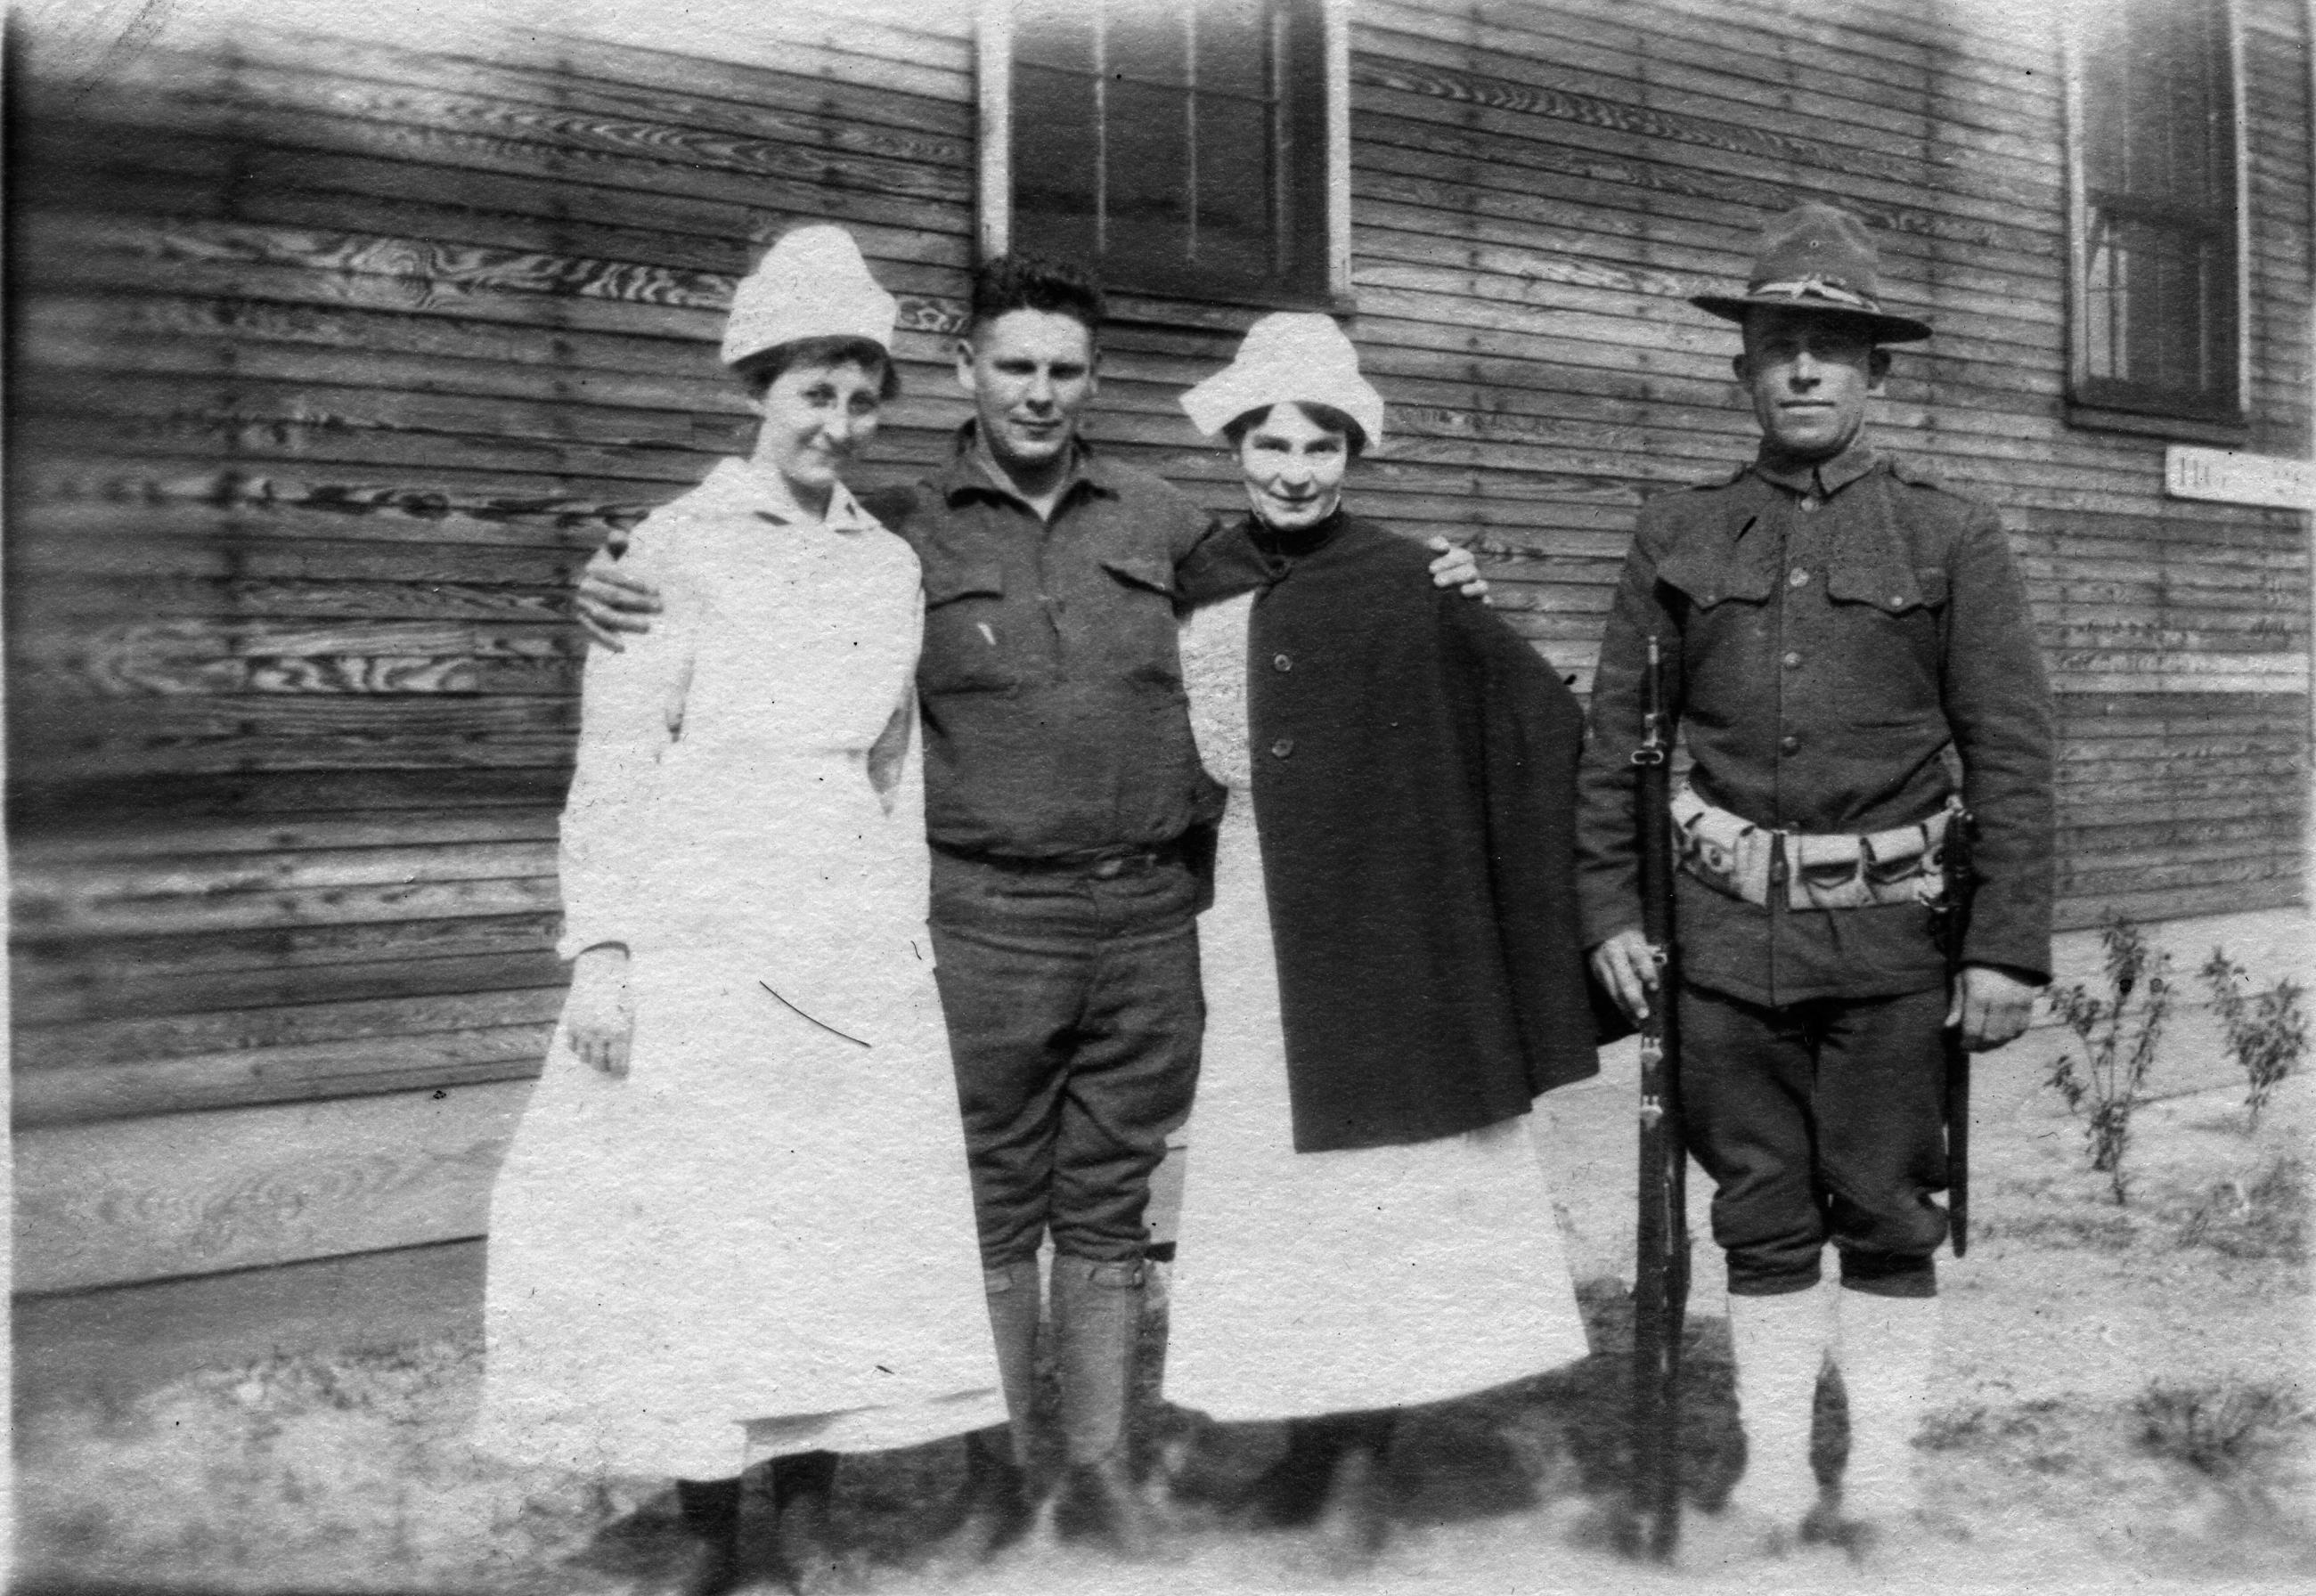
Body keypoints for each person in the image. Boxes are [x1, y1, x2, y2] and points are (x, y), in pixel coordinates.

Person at [571, 256, 1485, 1559]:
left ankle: (1100, 1474)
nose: (1041, 392)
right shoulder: (891, 527)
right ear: (967, 374)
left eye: (1065, 369)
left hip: (1148, 914)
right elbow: (746, 575)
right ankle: (993, 1479)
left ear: (1093, 381)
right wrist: (608, 577)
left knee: (1111, 1199)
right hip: (983, 917)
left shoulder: (1172, 526)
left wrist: (1433, 577)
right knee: (988, 1199)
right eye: (1016, 366)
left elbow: (1312, 584)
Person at [473, 225, 1006, 1596]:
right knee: (706, 1219)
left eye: (861, 396)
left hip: (840, 926)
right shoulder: (672, 546)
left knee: (828, 1214)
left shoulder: (887, 563)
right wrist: (602, 949)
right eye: (810, 394)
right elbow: (616, 760)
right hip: (704, 908)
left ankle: (812, 1520)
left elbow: (895, 773)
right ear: (757, 393)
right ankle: (711, 1528)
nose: (836, 421)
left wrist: (899, 941)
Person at [1576, 202, 2054, 1552]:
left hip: (1897, 941)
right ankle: (1779, 1471)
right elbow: (1619, 745)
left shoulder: (1950, 537)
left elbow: (2012, 751)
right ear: (1741, 372)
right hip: (1722, 942)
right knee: (1762, 1216)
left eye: (1831, 351)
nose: (1802, 373)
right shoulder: (1679, 534)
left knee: (1891, 1213)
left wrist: (2005, 945)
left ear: (1876, 375)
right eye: (1780, 346)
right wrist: (1611, 911)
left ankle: (1887, 1477)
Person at [1157, 314, 1609, 1564]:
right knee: (1272, 1200)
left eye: (1320, 444)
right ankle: (1300, 1455)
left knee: (1377, 1202)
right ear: (1236, 445)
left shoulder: (1414, 579)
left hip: (1384, 934)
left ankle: (1362, 1463)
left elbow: (1538, 727)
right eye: (1270, 442)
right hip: (1246, 919)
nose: (1293, 469)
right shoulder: (1199, 575)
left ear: (1352, 452)